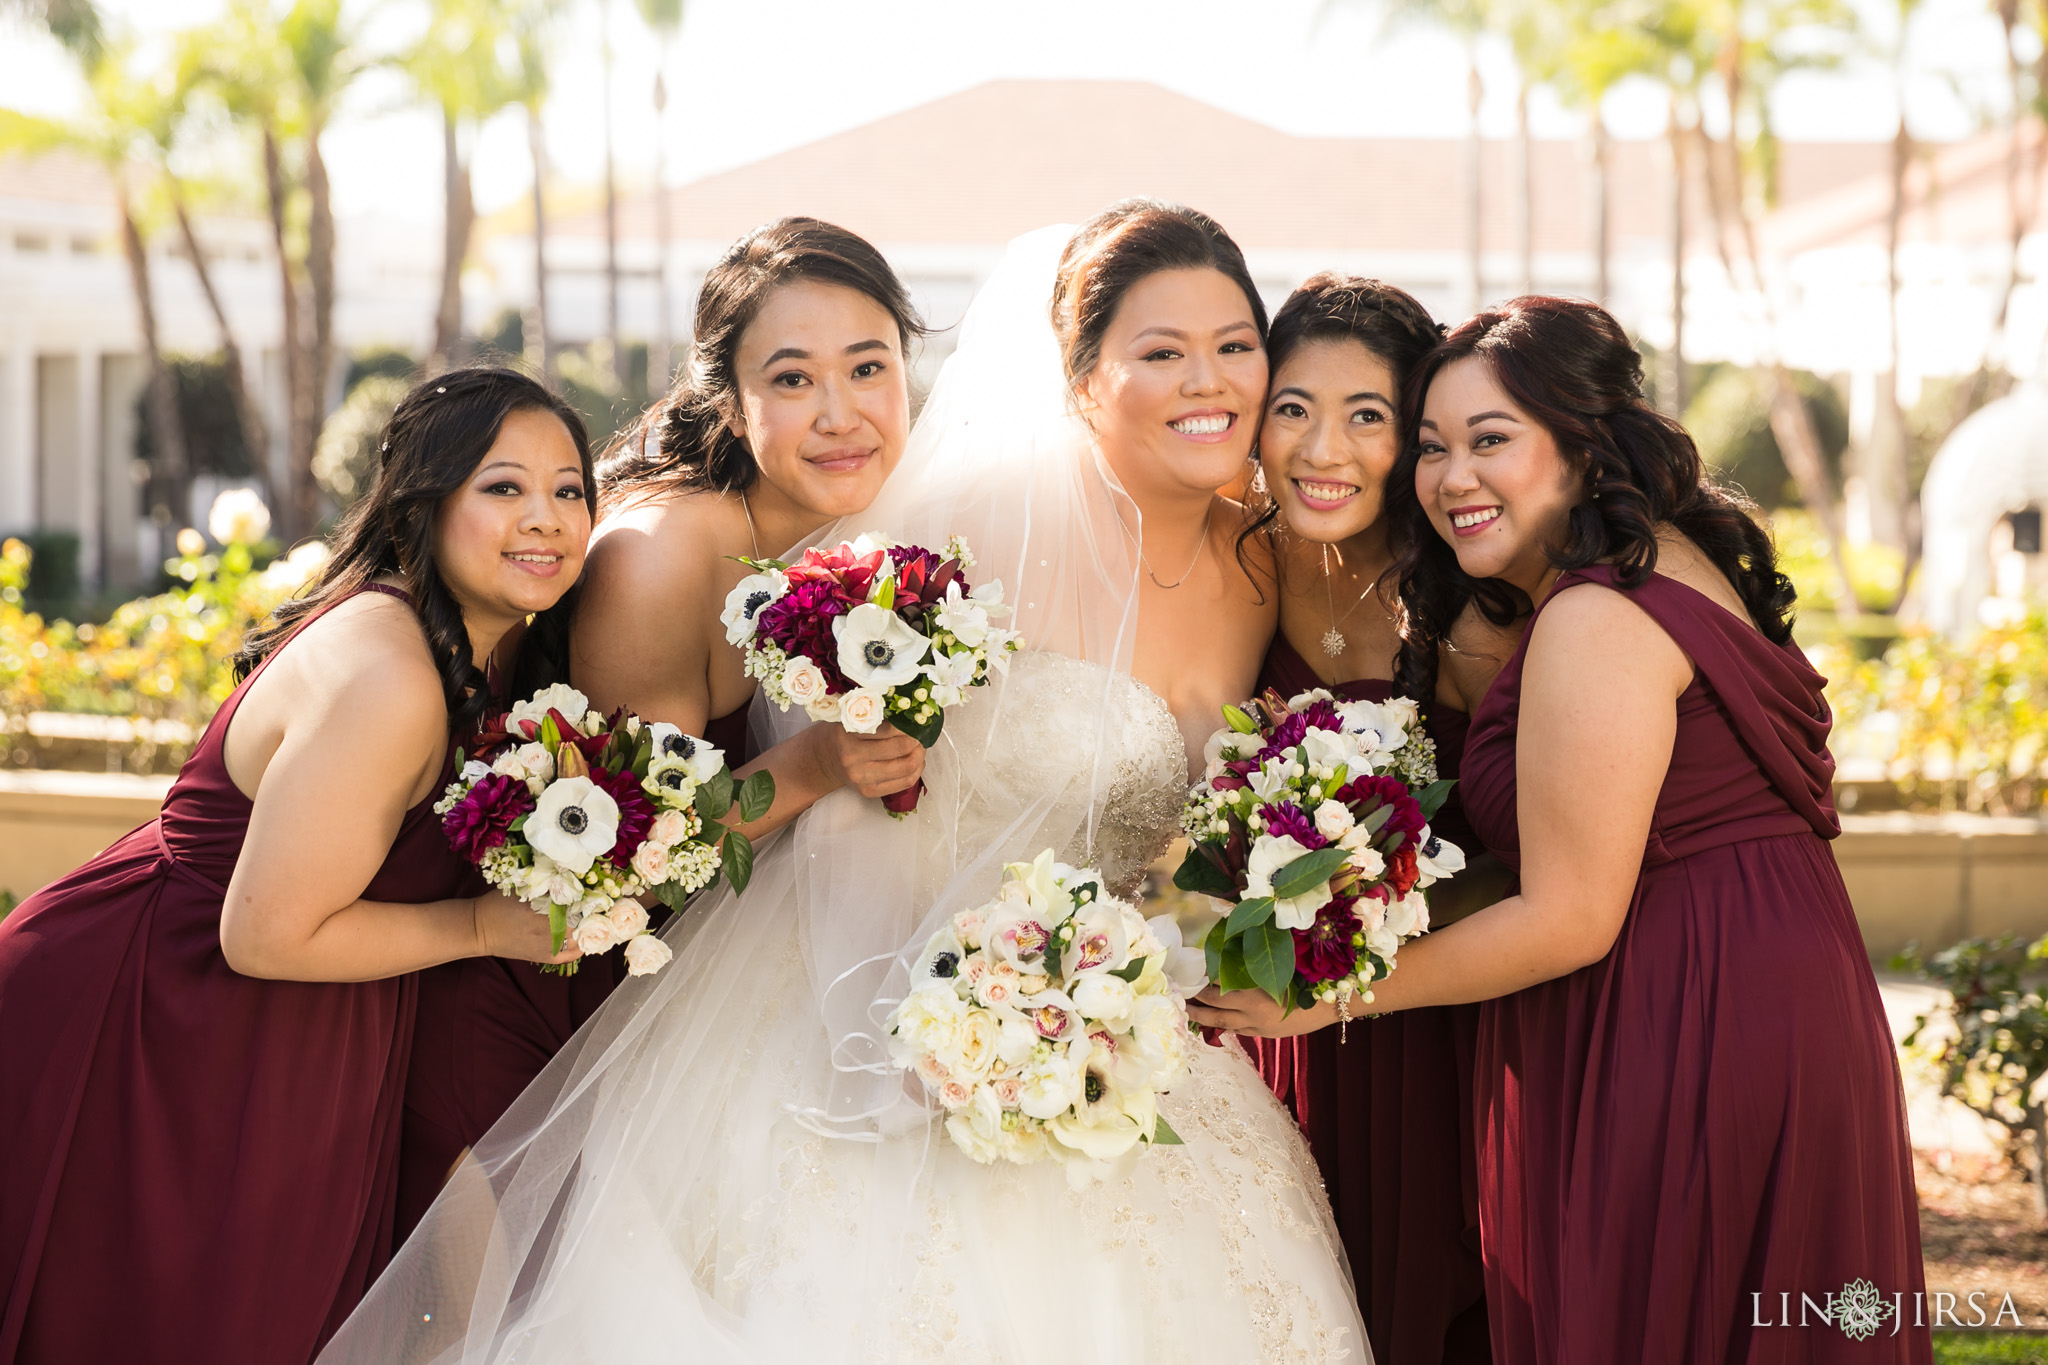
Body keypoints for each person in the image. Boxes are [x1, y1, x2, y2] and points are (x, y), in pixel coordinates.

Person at [321, 202, 1372, 1364]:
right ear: (1078, 377)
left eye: (1233, 345)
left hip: (1117, 1033)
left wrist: (1203, 945)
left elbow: (1199, 830)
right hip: (866, 1011)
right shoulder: (944, 539)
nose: (1207, 380)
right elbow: (822, 807)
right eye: (1160, 352)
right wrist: (952, 1023)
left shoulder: (1262, 557)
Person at [1193, 296, 1930, 1364]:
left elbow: (1570, 916)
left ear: (1584, 445)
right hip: (1749, 984)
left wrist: (1321, 998)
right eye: (1434, 448)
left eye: (1491, 441)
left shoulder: (1592, 617)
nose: (1451, 478)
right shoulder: (1643, 569)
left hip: (1685, 1014)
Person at [0, 367, 592, 1365]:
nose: (545, 519)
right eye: (502, 487)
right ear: (425, 501)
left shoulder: (489, 654)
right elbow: (265, 932)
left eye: (569, 490)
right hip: (157, 1018)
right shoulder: (392, 672)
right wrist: (484, 928)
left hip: (284, 1032)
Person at [396, 218, 929, 1237]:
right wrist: (815, 763)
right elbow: (646, 862)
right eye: (790, 380)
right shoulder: (657, 558)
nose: (839, 414)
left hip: (726, 981)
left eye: (868, 368)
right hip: (562, 993)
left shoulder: (867, 527)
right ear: (726, 400)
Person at [1229, 272, 1515, 1365]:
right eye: (1292, 409)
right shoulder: (1238, 562)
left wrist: (1365, 906)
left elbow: (1522, 849)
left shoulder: (1466, 598)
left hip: (1441, 1007)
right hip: (1286, 1010)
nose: (1321, 451)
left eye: (1367, 418)